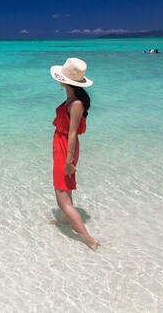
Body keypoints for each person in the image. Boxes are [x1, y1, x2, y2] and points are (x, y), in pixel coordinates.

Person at [50, 57, 100, 250]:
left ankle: (88, 239)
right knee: (65, 189)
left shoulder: (76, 103)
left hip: (66, 149)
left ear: (65, 81)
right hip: (62, 147)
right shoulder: (72, 98)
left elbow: (72, 133)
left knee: (62, 199)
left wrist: (69, 160)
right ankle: (64, 220)